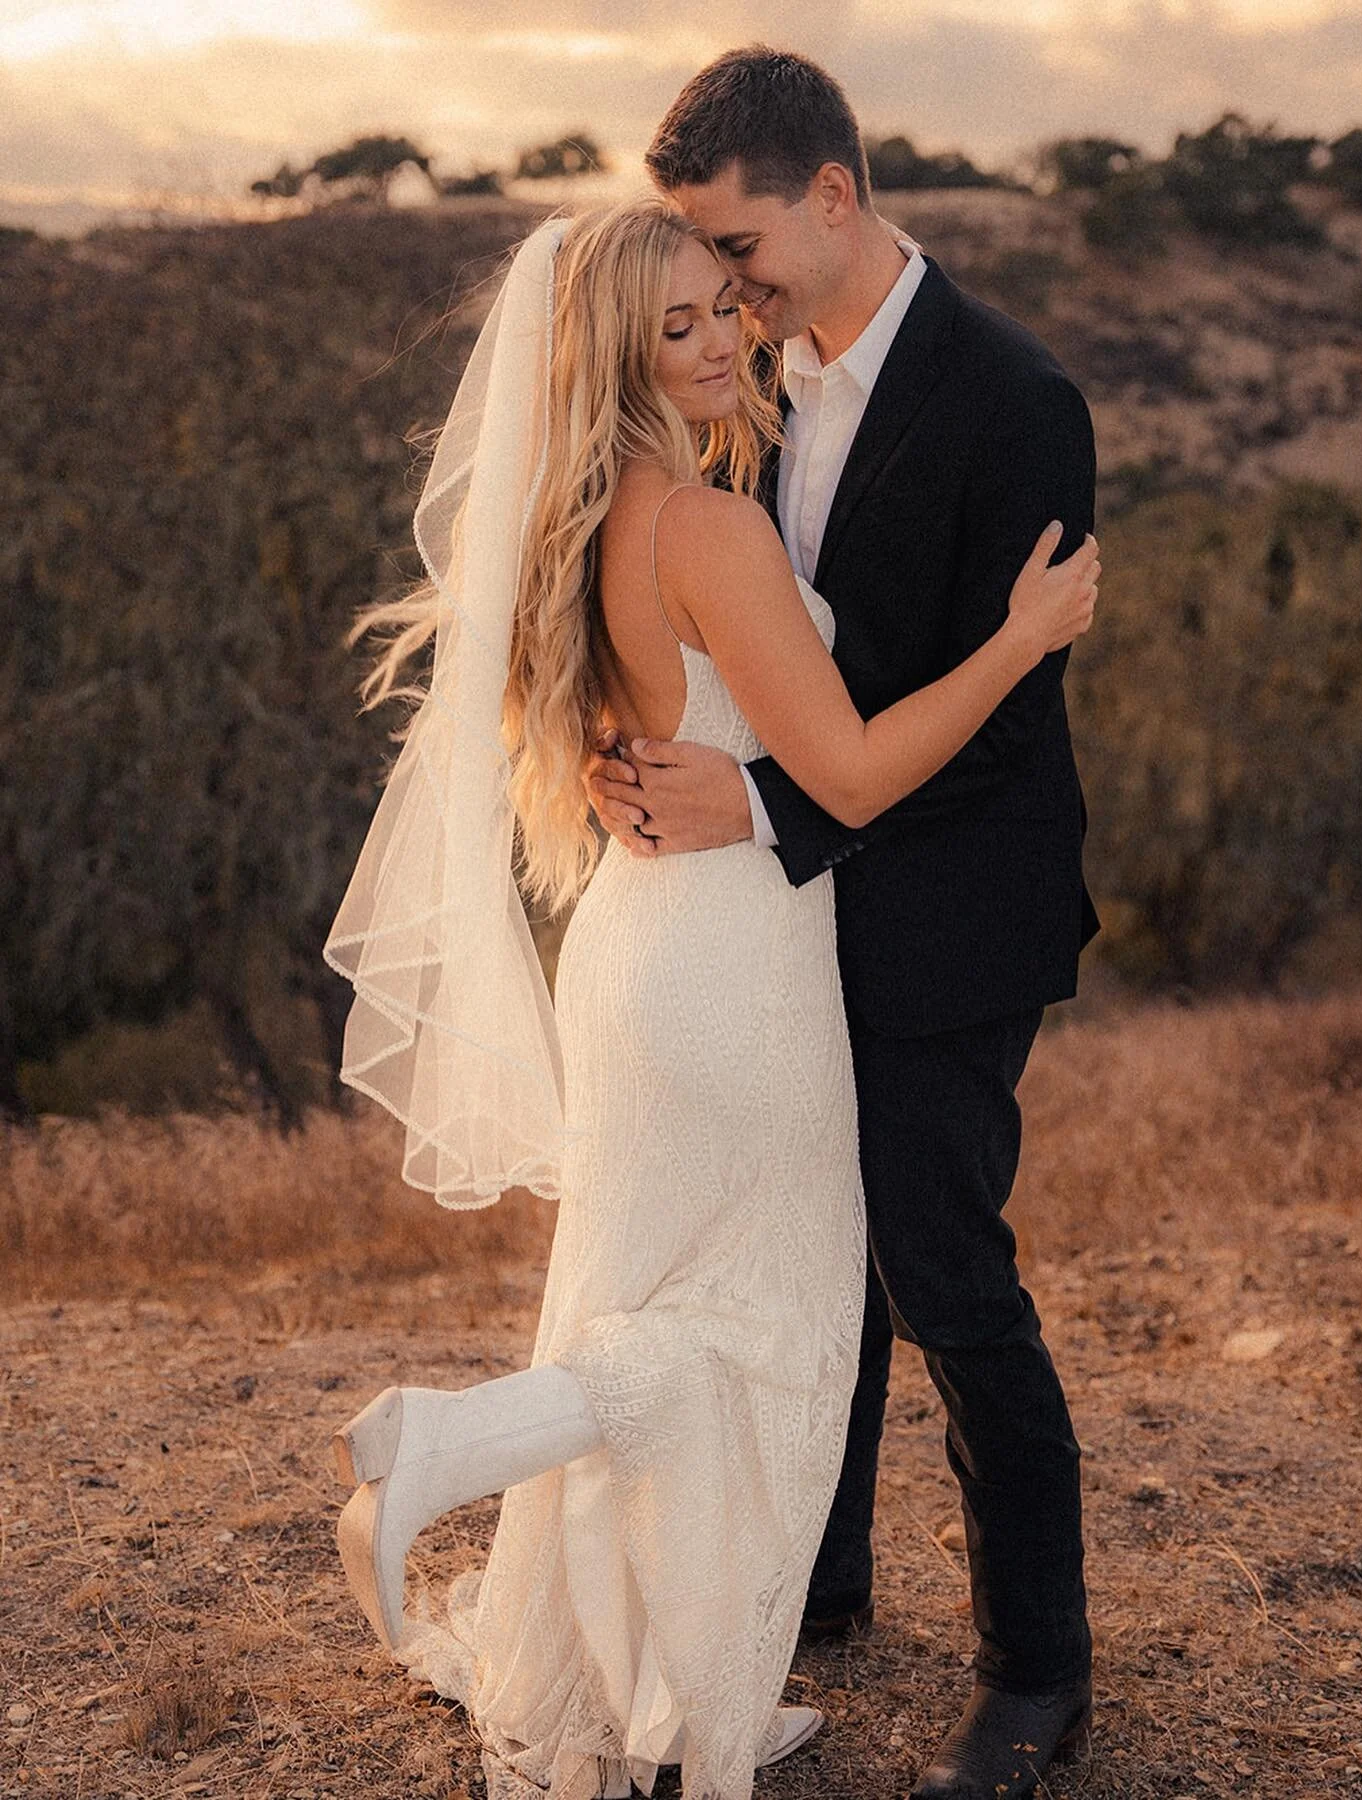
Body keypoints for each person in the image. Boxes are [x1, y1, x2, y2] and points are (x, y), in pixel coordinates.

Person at [324, 201, 1096, 1800]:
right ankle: (445, 1446)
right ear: (614, 361)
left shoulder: (589, 515)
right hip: (739, 969)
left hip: (639, 950)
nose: (722, 338)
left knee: (648, 1295)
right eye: (675, 326)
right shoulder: (708, 528)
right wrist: (1022, 641)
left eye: (717, 309)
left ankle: (668, 1691)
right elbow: (861, 767)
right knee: (756, 1332)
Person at [587, 48, 1101, 1800]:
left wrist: (764, 802)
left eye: (737, 245)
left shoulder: (1016, 399)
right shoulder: (764, 380)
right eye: (695, 263)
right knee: (817, 1258)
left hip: (954, 910)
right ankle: (822, 1583)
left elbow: (1003, 720)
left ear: (831, 193)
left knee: (945, 1274)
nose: (719, 290)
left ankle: (1038, 1671)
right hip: (788, 922)